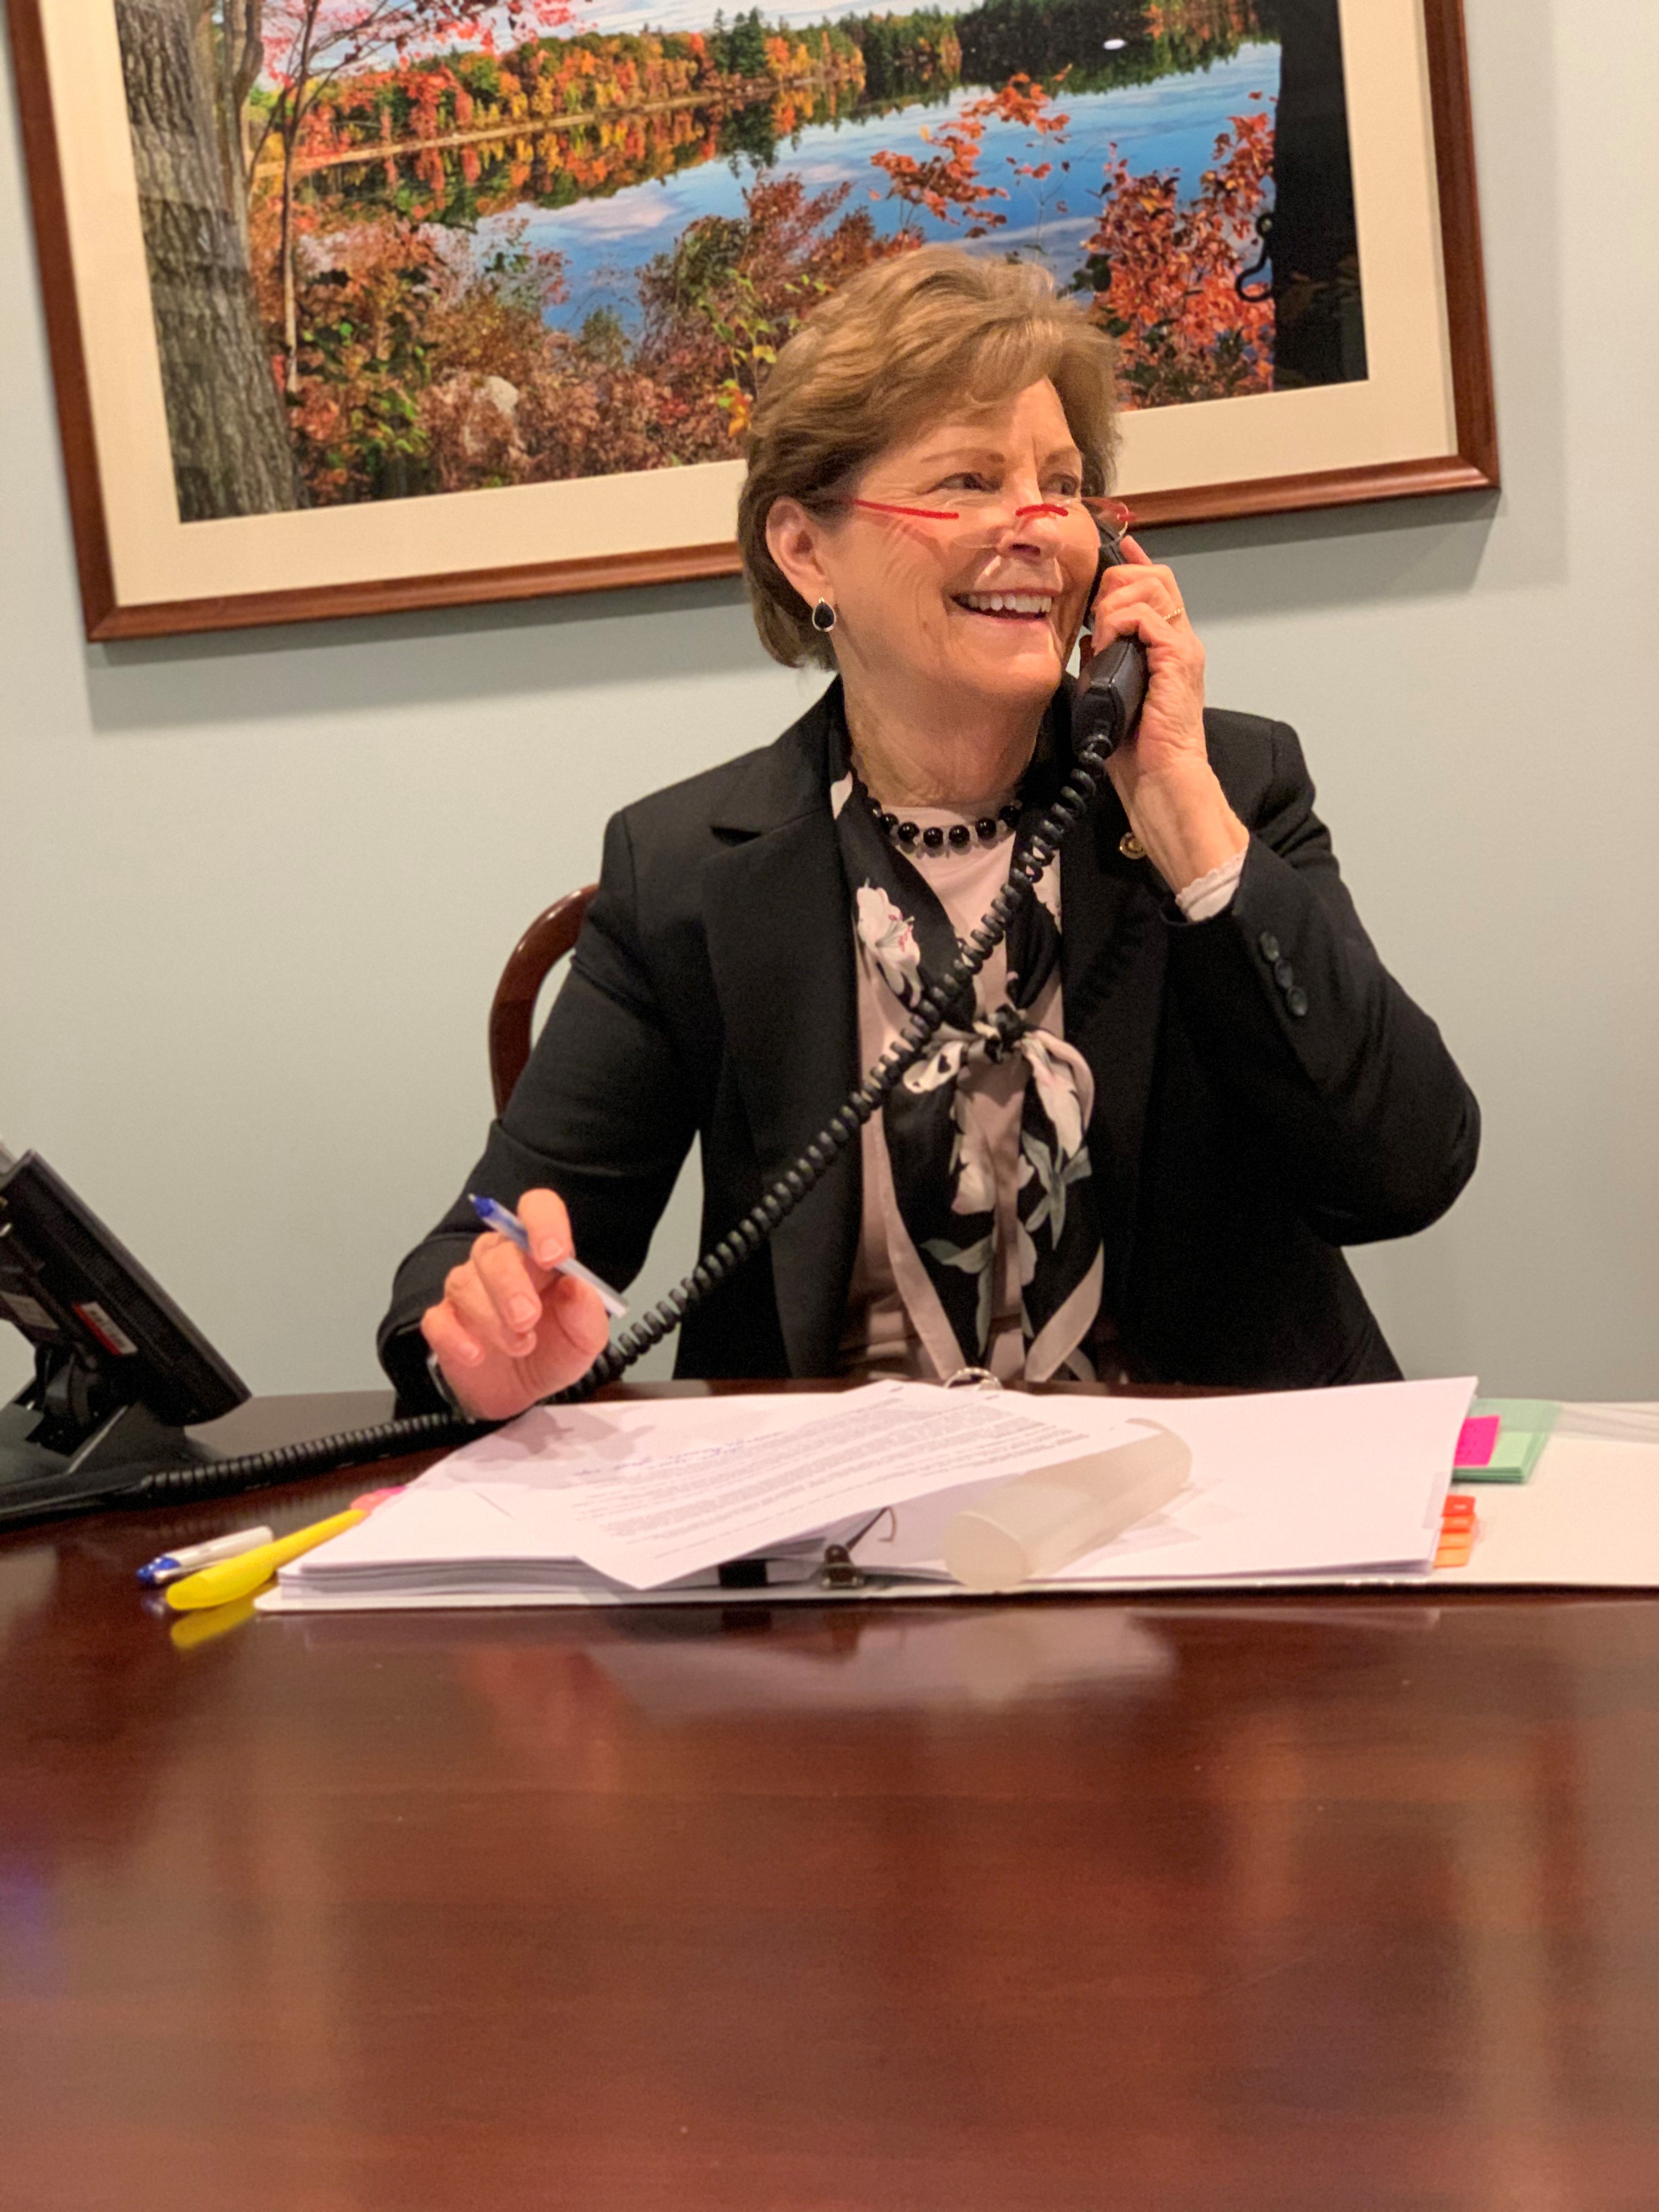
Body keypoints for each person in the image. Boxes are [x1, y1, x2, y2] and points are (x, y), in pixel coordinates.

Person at [378, 247, 1479, 1420]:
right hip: (850, 1544)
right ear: (807, 550)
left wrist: (1187, 824)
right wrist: (483, 1343)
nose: (1038, 531)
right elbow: (474, 1262)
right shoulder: (690, 871)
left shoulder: (1231, 784)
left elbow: (1403, 1173)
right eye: (967, 481)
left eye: (1060, 485)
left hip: (1203, 1516)